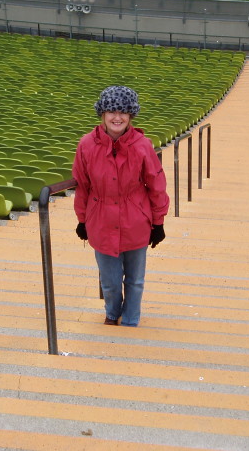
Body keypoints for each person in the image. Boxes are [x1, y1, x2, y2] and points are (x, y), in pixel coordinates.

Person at [72, 85, 170, 327]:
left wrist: (158, 222)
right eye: (111, 111)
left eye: (123, 112)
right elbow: (82, 186)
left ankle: (130, 320)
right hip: (101, 220)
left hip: (136, 220)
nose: (117, 117)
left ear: (131, 116)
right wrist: (82, 219)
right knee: (110, 281)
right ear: (102, 114)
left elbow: (156, 185)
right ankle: (112, 313)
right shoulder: (86, 145)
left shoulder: (142, 145)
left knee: (135, 280)